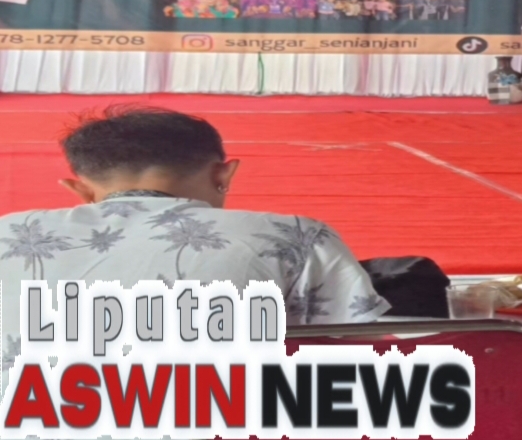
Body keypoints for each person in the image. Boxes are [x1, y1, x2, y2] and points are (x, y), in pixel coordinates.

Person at [0, 107, 389, 384]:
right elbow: (355, 360)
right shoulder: (295, 236)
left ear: (81, 190)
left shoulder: (9, 231)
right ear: (224, 174)